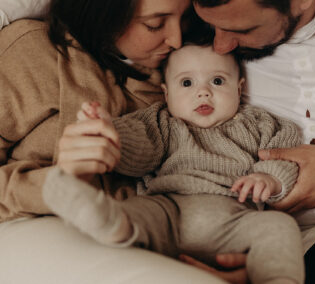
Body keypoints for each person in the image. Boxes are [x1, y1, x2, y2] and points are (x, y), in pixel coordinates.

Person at [0, 0, 233, 283]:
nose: (176, 39)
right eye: (154, 24)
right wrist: (57, 181)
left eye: (184, 19)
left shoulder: (190, 68)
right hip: (32, 226)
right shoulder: (33, 53)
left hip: (154, 236)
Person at [43, 43, 305, 284]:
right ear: (166, 95)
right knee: (135, 212)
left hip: (234, 220)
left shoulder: (258, 123)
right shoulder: (163, 123)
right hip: (168, 211)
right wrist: (108, 130)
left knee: (279, 226)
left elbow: (285, 150)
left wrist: (269, 178)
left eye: (217, 81)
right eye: (187, 82)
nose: (203, 92)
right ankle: (102, 217)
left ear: (239, 88)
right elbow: (139, 147)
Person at [186, 0, 315, 283]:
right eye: (212, 26)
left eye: (244, 29)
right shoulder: (198, 36)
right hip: (277, 249)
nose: (221, 45)